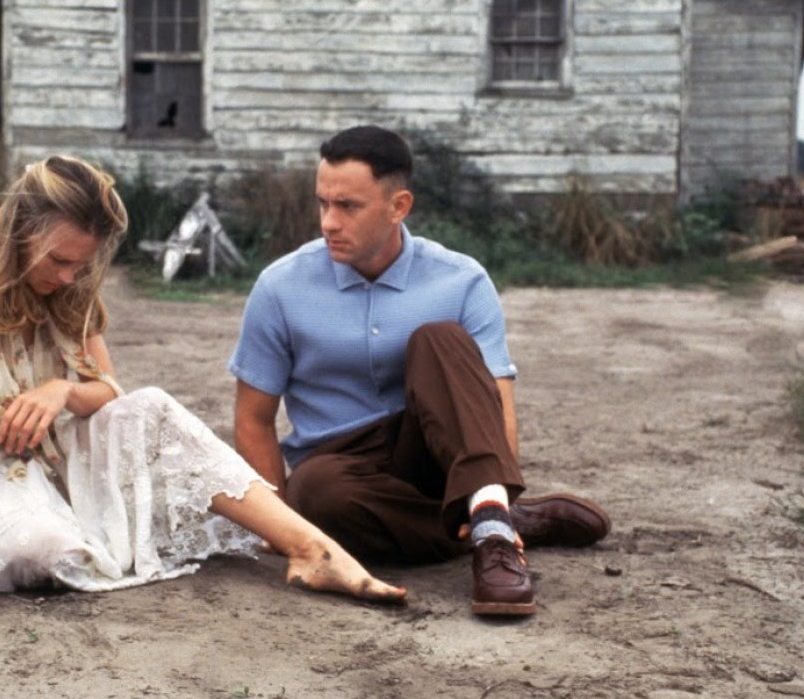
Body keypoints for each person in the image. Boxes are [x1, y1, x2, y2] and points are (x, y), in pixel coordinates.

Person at [0, 155, 406, 614]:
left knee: (152, 407)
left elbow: (108, 391)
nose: (69, 276)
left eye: (81, 264)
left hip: (40, 459)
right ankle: (70, 526)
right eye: (58, 260)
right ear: (19, 230)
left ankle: (312, 549)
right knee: (47, 551)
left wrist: (59, 392)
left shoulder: (71, 279)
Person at [229, 126, 611, 617]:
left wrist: (497, 475)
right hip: (343, 471)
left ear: (399, 206)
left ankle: (494, 534)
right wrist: (284, 531)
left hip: (438, 452)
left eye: (347, 206)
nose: (328, 222)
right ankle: (497, 519)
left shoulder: (461, 280)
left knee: (440, 338)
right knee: (313, 493)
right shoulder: (280, 287)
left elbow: (496, 404)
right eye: (322, 203)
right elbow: (253, 418)